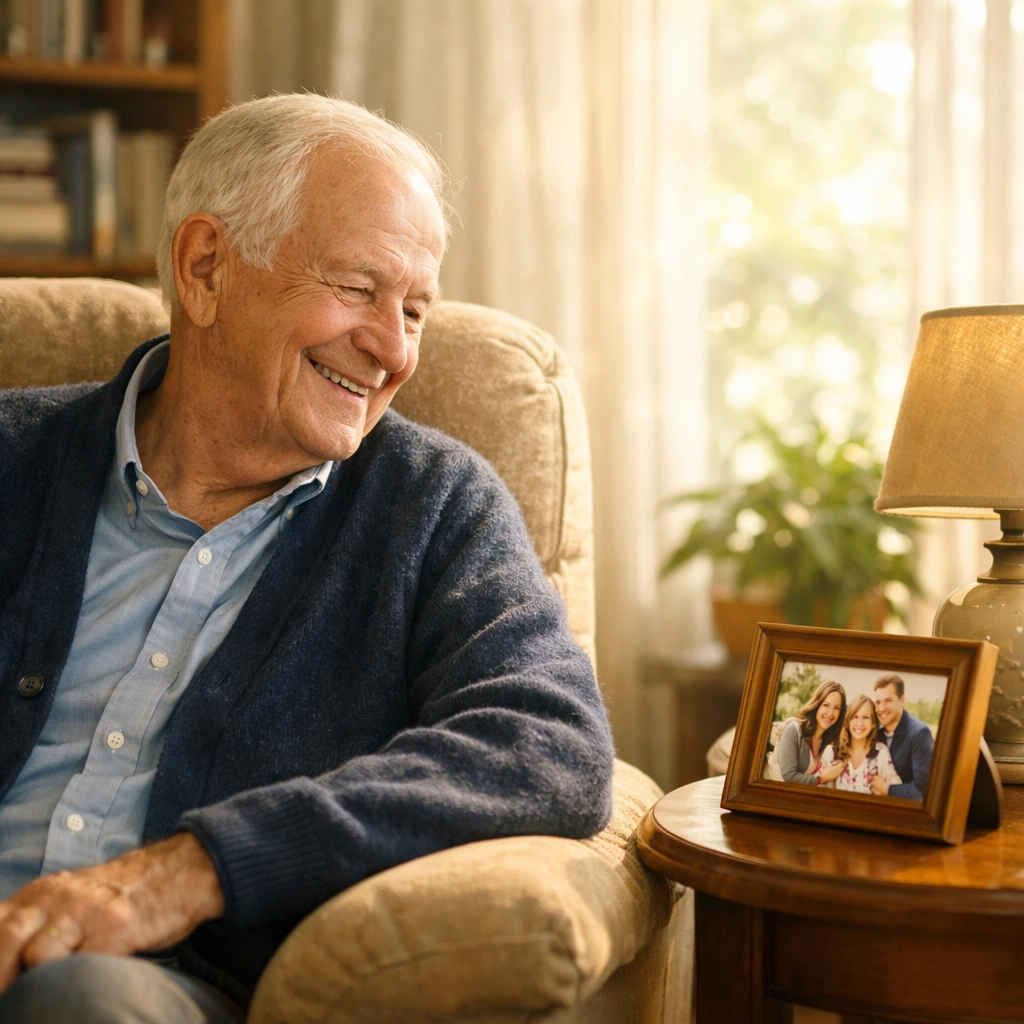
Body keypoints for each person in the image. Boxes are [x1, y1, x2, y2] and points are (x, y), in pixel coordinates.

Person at [0, 95, 614, 1024]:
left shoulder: (432, 508)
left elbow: (550, 743)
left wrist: (200, 867)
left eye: (415, 309)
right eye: (360, 288)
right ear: (204, 268)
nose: (392, 347)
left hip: (157, 988)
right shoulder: (14, 459)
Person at [814, 694, 902, 794]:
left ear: (873, 723)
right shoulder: (832, 752)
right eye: (855, 717)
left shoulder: (880, 753)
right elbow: (814, 788)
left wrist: (885, 790)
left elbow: (897, 791)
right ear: (847, 721)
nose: (859, 723)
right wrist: (824, 777)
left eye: (866, 717)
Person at [870, 673, 934, 800]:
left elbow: (923, 791)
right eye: (877, 702)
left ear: (902, 700)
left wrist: (887, 789)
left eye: (888, 700)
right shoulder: (874, 732)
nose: (881, 708)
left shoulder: (919, 734)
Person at [774, 680, 848, 786]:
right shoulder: (794, 730)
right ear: (817, 704)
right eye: (826, 705)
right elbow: (788, 775)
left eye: (836, 708)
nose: (830, 713)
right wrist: (820, 778)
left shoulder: (826, 743)